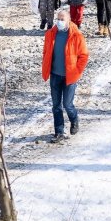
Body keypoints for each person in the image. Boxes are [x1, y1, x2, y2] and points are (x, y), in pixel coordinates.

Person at [41, 9, 89, 142]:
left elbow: (84, 56)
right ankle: (59, 132)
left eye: (62, 19)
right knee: (56, 106)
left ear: (68, 20)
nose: (60, 21)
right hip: (55, 75)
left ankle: (74, 120)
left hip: (70, 76)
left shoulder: (77, 36)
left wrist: (77, 71)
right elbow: (46, 52)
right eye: (58, 19)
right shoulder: (50, 34)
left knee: (68, 105)